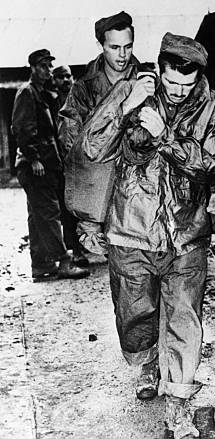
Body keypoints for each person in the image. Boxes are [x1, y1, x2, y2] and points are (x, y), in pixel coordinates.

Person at [78, 32, 215, 439]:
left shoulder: (211, 105)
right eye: (172, 82)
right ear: (159, 69)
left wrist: (165, 137)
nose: (180, 91)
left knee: (184, 320)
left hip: (186, 235)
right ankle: (146, 363)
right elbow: (91, 147)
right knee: (135, 318)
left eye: (188, 83)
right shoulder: (131, 91)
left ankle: (179, 409)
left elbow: (213, 165)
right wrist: (124, 107)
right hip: (131, 230)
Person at [58, 11, 139, 256]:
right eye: (114, 47)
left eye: (128, 46)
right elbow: (71, 146)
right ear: (100, 45)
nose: (123, 55)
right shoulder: (83, 89)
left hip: (137, 193)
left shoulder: (147, 81)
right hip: (99, 191)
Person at [11, 49, 89, 281]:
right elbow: (22, 129)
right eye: (43, 66)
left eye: (49, 66)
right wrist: (33, 158)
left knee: (37, 216)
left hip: (45, 163)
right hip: (36, 165)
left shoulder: (42, 94)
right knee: (49, 213)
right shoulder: (27, 92)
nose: (48, 71)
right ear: (33, 68)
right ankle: (64, 262)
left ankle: (41, 264)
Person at [51, 64, 88, 268]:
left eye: (68, 76)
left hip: (83, 162)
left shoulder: (81, 103)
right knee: (68, 209)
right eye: (60, 77)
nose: (65, 80)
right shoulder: (52, 105)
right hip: (63, 165)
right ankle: (76, 250)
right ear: (54, 81)